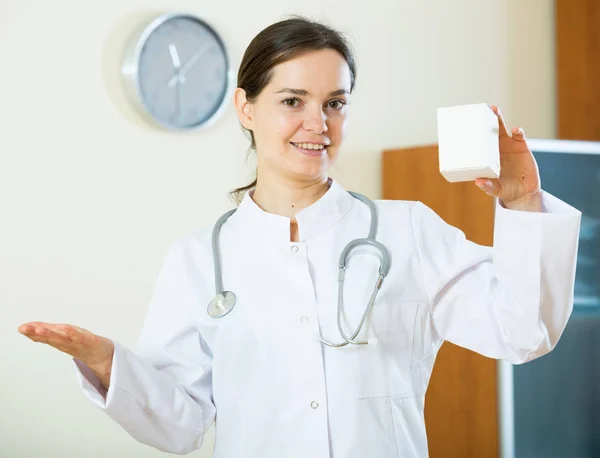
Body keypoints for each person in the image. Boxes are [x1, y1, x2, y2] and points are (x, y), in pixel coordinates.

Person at [18, 16, 581, 458]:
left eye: (335, 103)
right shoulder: (199, 259)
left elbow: (521, 328)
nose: (319, 124)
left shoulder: (408, 230)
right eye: (293, 102)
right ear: (246, 107)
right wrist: (107, 362)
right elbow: (180, 424)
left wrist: (522, 199)